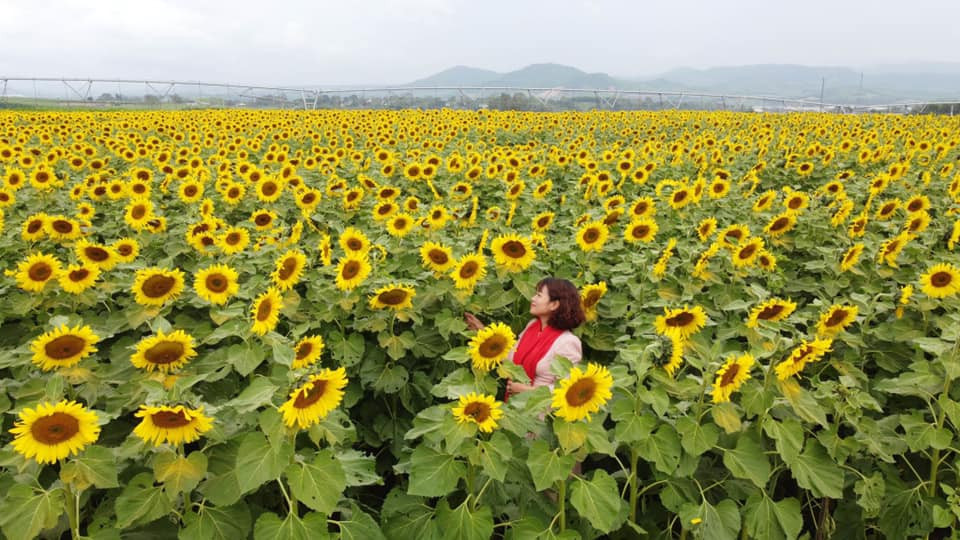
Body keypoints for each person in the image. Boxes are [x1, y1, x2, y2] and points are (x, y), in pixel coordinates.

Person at [464, 277, 585, 400]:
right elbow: (511, 357)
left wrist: (527, 391)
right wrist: (483, 333)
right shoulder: (532, 327)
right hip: (514, 408)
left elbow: (569, 390)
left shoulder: (568, 342)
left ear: (554, 304)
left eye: (539, 295)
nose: (532, 298)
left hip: (540, 414)